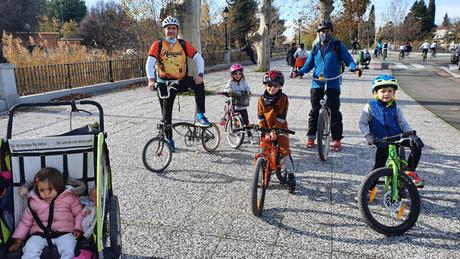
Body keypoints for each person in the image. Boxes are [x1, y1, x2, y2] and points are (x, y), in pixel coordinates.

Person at [294, 20, 361, 151]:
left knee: (335, 112)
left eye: (327, 31)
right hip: (317, 83)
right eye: (322, 32)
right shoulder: (315, 47)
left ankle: (336, 139)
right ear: (318, 33)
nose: (325, 34)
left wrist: (354, 68)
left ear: (331, 32)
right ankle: (311, 136)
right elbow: (308, 64)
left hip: (333, 83)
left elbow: (348, 60)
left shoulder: (337, 45)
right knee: (314, 111)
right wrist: (299, 72)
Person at [146, 16, 210, 152]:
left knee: (198, 84)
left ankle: (200, 116)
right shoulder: (157, 45)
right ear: (164, 30)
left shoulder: (182, 44)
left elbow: (198, 58)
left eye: (173, 28)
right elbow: (150, 63)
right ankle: (169, 140)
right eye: (168, 28)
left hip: (180, 80)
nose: (171, 31)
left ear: (177, 30)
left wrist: (200, 74)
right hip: (164, 83)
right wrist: (151, 79)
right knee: (166, 115)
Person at [359, 75, 425, 188]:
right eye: (383, 91)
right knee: (378, 167)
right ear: (376, 93)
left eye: (390, 91)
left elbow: (403, 123)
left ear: (394, 93)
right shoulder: (370, 106)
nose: (386, 94)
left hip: (398, 137)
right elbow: (362, 123)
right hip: (381, 140)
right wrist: (368, 136)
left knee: (416, 145)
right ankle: (368, 189)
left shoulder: (396, 107)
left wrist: (412, 135)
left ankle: (410, 171)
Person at [9, 167, 83, 258]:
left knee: (69, 247)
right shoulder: (34, 202)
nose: (46, 193)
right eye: (42, 190)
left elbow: (79, 213)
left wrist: (78, 228)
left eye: (50, 189)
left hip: (64, 233)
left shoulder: (69, 198)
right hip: (40, 235)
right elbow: (25, 221)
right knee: (30, 247)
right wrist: (19, 239)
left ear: (58, 186)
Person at [258, 70, 296, 193]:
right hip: (266, 128)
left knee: (285, 151)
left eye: (275, 86)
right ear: (265, 85)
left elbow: (281, 116)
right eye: (269, 85)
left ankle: (291, 174)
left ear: (280, 86)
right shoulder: (261, 99)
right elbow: (261, 117)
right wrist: (264, 129)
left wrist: (274, 130)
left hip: (280, 127)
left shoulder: (283, 98)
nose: (272, 88)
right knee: (263, 149)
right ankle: (264, 170)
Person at [223, 63, 253, 140]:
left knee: (246, 119)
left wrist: (248, 91)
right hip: (233, 102)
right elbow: (226, 89)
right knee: (232, 116)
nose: (238, 75)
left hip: (242, 103)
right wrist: (229, 91)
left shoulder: (244, 81)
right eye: (235, 73)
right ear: (232, 75)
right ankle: (231, 126)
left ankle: (249, 132)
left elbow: (247, 88)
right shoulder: (230, 82)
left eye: (239, 73)